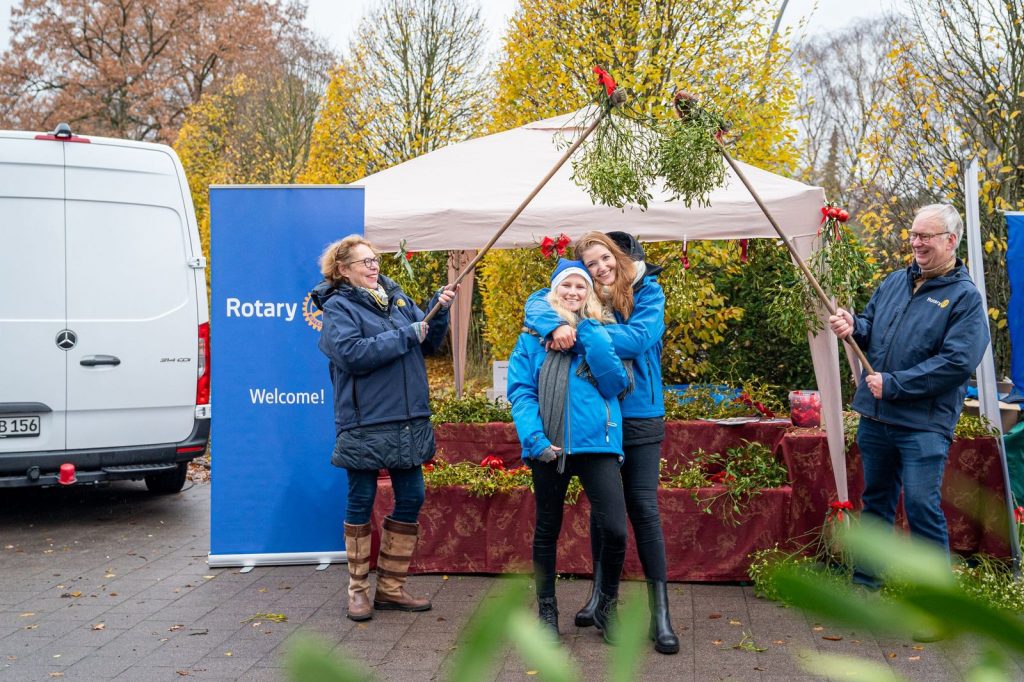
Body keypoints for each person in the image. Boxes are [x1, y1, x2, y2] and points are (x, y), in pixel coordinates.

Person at [524, 231, 679, 654]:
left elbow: (640, 338)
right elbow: (537, 302)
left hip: (639, 412)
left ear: (620, 257)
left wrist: (583, 329)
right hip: (595, 421)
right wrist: (556, 321)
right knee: (602, 511)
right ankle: (599, 598)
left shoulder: (648, 291)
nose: (600, 267)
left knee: (642, 509)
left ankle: (659, 613)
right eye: (591, 263)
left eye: (604, 259)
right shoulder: (582, 291)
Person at [829, 204, 989, 591]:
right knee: (877, 502)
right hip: (877, 418)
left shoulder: (965, 299)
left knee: (921, 506)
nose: (916, 243)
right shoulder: (895, 282)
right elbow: (871, 329)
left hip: (922, 425)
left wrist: (895, 384)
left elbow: (956, 363)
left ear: (950, 241)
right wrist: (853, 325)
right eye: (913, 235)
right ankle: (865, 585)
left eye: (925, 237)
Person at [310, 235, 457, 622]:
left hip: (409, 418)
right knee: (361, 499)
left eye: (375, 259)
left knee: (412, 496)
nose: (374, 266)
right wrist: (407, 334)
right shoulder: (338, 307)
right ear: (343, 270)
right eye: (364, 262)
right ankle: (358, 591)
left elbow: (427, 345)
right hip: (365, 421)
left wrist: (436, 313)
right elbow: (353, 354)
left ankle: (390, 588)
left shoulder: (398, 300)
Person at [507, 258, 630, 643]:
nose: (574, 293)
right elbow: (522, 393)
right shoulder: (532, 337)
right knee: (547, 528)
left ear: (589, 293)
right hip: (550, 444)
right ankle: (547, 608)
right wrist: (536, 441)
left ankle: (607, 606)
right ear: (554, 291)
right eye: (567, 286)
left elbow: (615, 384)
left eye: (581, 287)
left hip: (598, 443)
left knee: (615, 530)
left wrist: (589, 334)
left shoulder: (603, 329)